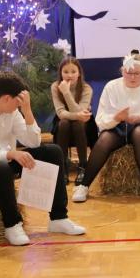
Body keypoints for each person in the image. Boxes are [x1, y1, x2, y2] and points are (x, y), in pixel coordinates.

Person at [0, 72, 86, 246]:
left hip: (5, 160)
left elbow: (33, 142)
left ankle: (58, 218)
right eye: (19, 102)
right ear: (6, 99)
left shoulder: (12, 111)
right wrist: (12, 154)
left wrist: (27, 111)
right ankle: (12, 225)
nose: (20, 105)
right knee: (1, 168)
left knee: (53, 152)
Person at [71, 52, 140, 203]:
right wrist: (116, 118)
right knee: (105, 138)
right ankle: (84, 185)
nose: (133, 77)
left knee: (139, 132)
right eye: (129, 73)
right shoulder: (112, 87)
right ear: (122, 71)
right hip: (119, 127)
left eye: (137, 73)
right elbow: (100, 121)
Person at [51, 56, 93, 185]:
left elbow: (80, 112)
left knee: (78, 124)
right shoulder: (55, 86)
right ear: (61, 73)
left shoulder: (86, 88)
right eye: (66, 72)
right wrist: (77, 115)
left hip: (84, 124)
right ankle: (62, 168)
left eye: (73, 71)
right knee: (64, 123)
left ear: (79, 73)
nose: (69, 75)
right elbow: (60, 113)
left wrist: (66, 93)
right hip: (63, 122)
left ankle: (83, 166)